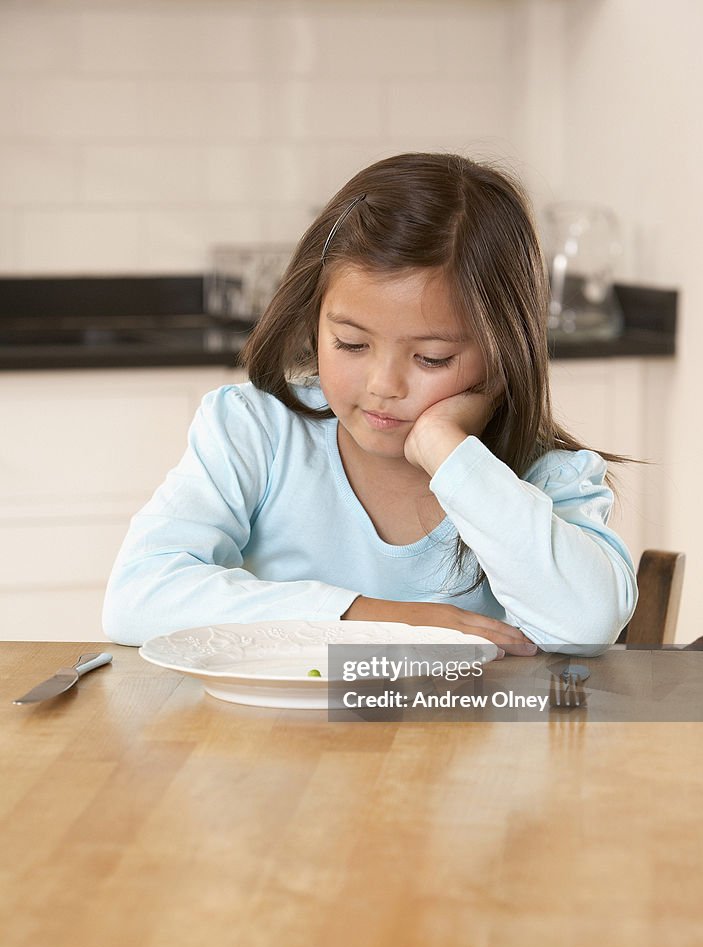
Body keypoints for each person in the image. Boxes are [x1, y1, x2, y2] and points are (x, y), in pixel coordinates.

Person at [102, 152, 638, 655]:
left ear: (502, 356)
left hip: (464, 746)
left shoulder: (543, 478)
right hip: (283, 747)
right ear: (315, 322)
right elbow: (137, 598)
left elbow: (587, 625)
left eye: (431, 357)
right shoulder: (256, 430)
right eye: (352, 345)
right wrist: (367, 618)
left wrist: (449, 455)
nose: (383, 384)